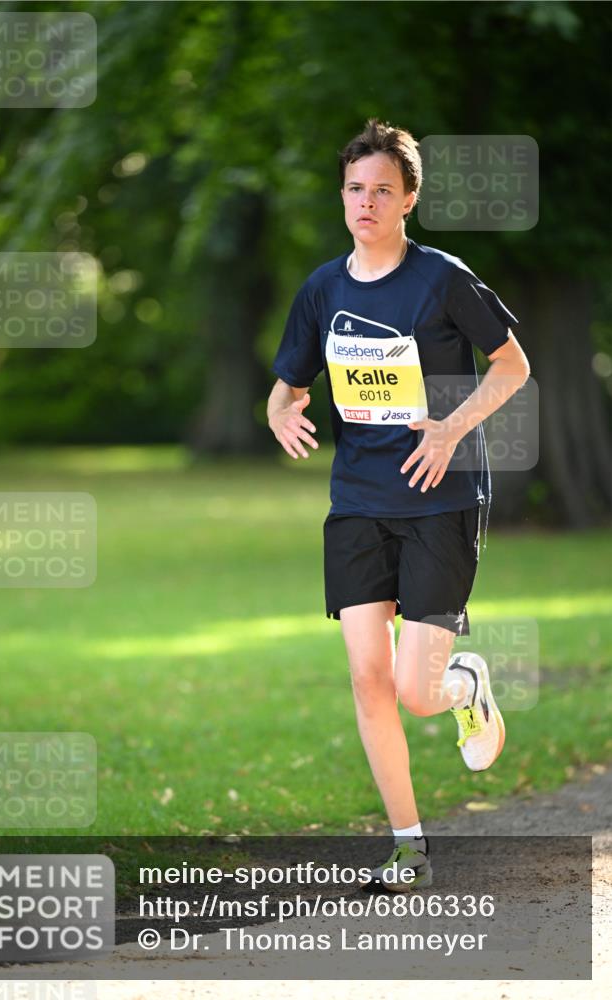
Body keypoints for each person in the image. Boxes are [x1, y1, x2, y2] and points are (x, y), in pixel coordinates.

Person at [266, 118, 531, 892]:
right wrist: (280, 410)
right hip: (356, 502)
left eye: (382, 189)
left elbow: (512, 367)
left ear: (408, 198)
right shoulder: (322, 289)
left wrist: (449, 428)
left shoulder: (442, 278)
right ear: (341, 196)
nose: (366, 202)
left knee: (417, 693)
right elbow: (287, 386)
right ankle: (407, 845)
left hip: (438, 497)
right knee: (365, 678)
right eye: (354, 188)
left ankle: (464, 688)